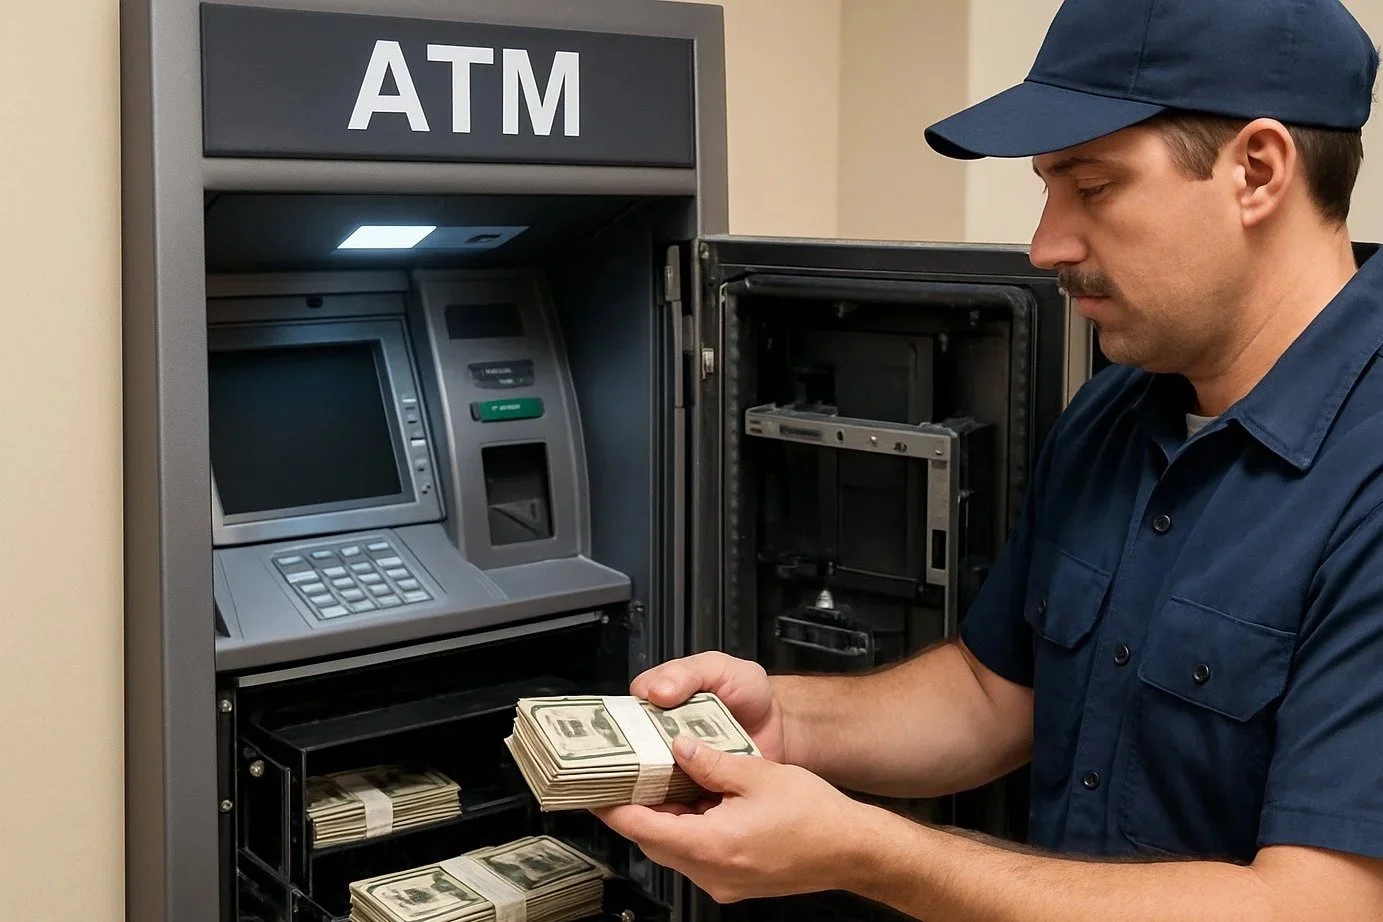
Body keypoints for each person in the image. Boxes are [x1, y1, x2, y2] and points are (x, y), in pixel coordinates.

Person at [593, 0, 1383, 918]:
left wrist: (866, 851)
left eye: (1090, 187)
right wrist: (783, 722)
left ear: (1256, 170)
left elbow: (1319, 904)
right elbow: (994, 695)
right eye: (1046, 187)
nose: (1046, 244)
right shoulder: (1120, 409)